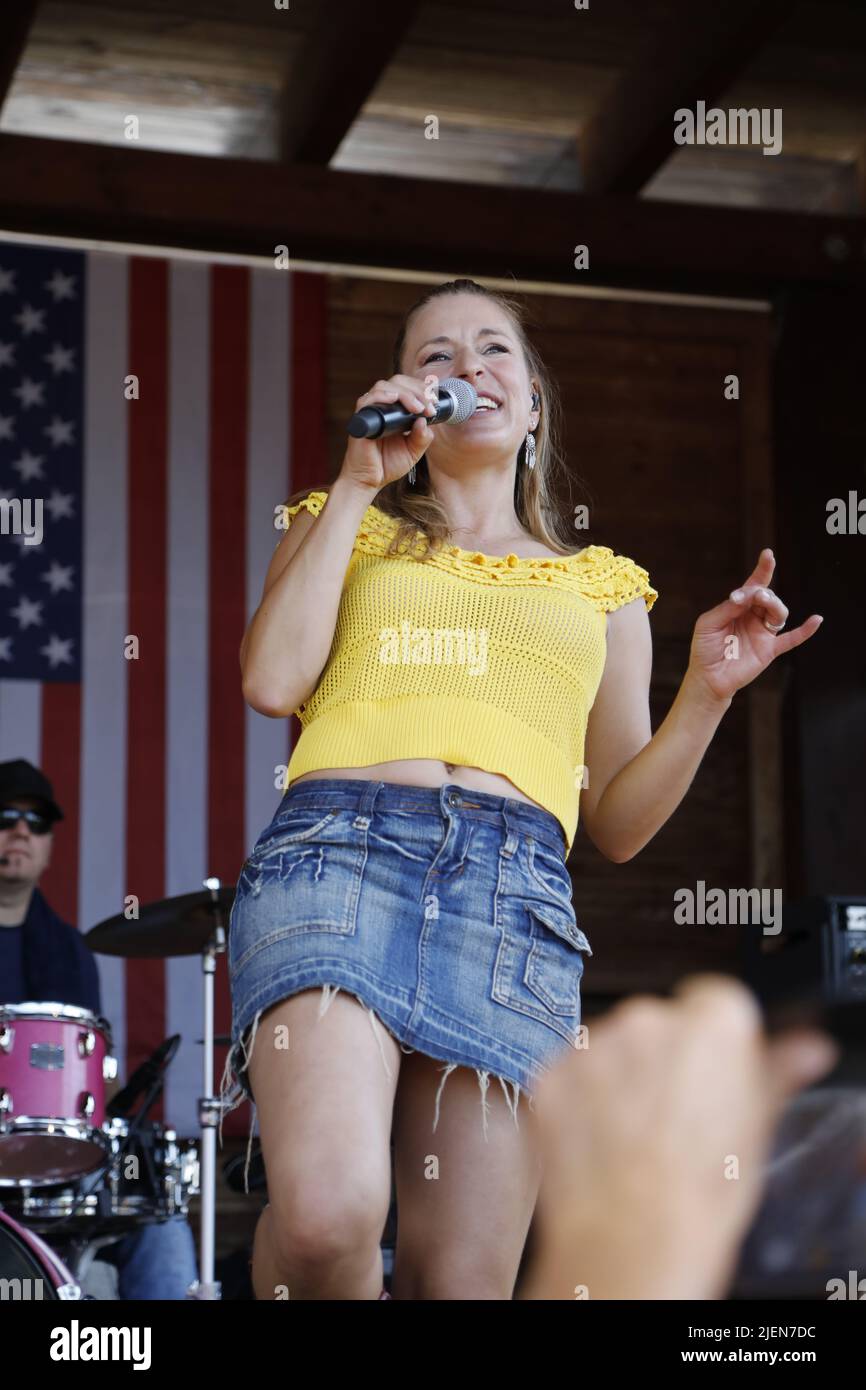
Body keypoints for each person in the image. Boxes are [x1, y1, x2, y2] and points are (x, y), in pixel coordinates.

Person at [220, 277, 823, 1301]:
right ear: (408, 393)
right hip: (337, 857)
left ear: (532, 402)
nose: (466, 370)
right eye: (435, 356)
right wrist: (361, 479)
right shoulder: (344, 519)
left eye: (493, 350)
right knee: (326, 1220)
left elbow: (619, 825)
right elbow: (270, 680)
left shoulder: (601, 586)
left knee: (463, 1284)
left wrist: (708, 694)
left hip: (511, 898)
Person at [0, 758, 199, 1300]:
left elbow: (92, 1081)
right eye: (6, 815)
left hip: (60, 1167)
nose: (21, 829)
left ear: (48, 848)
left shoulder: (70, 951)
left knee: (159, 1222)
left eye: (36, 822)